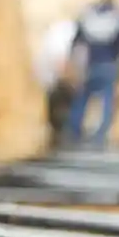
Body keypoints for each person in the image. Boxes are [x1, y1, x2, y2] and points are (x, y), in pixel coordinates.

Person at [64, 0, 119, 148]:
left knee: (82, 99)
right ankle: (99, 136)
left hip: (90, 64)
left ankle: (74, 132)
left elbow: (76, 42)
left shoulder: (88, 18)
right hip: (109, 64)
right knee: (108, 101)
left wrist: (74, 63)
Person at [33, 18, 79, 148]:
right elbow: (60, 58)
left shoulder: (55, 34)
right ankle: (61, 133)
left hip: (53, 77)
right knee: (61, 104)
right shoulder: (65, 34)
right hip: (58, 77)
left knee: (56, 105)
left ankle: (59, 133)